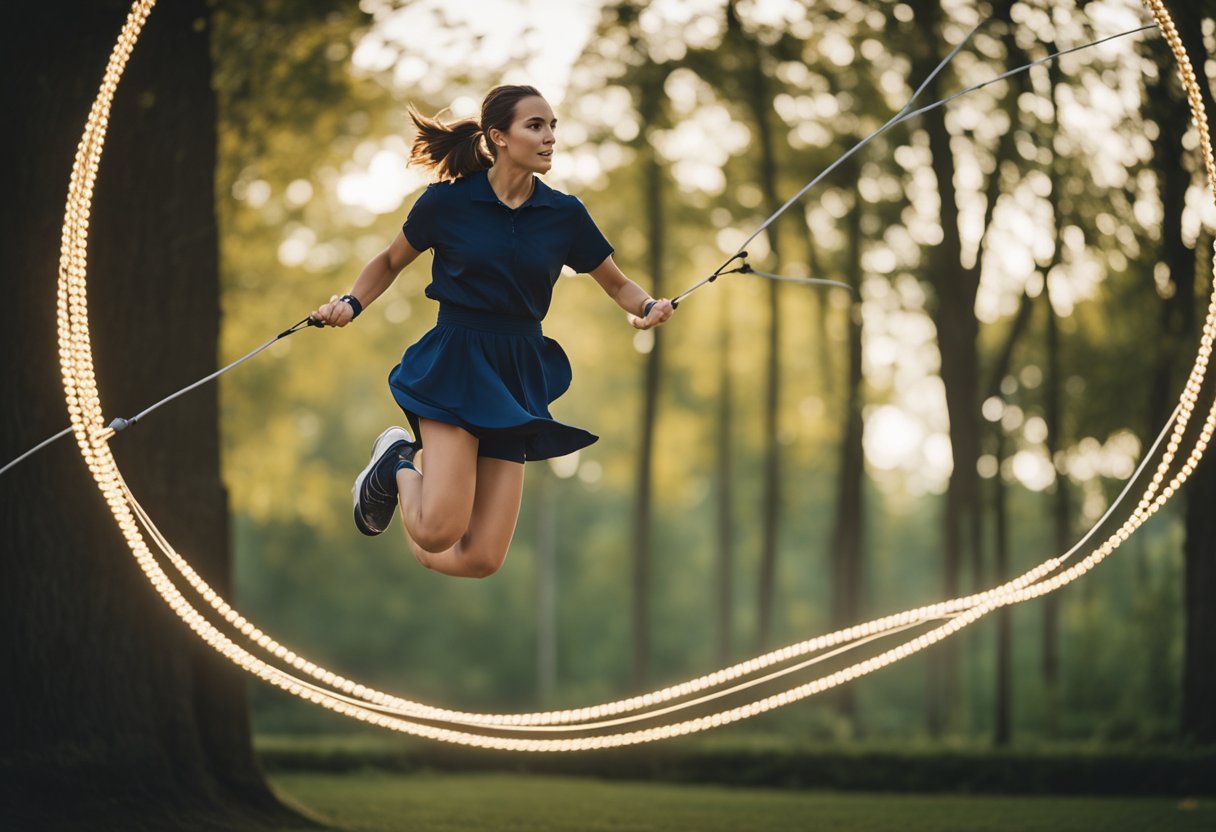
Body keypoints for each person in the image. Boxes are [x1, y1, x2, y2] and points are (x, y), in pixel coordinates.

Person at [311, 84, 674, 579]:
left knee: (481, 558)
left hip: (515, 374)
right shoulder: (447, 203)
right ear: (498, 137)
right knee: (438, 530)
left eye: (552, 127)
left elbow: (617, 284)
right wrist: (351, 304)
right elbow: (391, 260)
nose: (549, 138)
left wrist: (648, 306)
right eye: (535, 126)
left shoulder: (564, 214)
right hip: (456, 364)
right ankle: (398, 459)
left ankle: (408, 480)